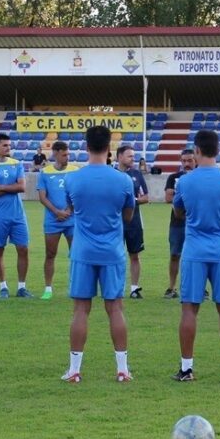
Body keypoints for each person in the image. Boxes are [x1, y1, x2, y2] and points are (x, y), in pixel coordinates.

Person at [61, 126, 136, 383]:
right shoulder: (124, 181)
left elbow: (71, 208)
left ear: (86, 145)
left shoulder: (73, 178)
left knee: (81, 309)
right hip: (112, 251)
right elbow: (128, 216)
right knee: (115, 308)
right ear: (109, 147)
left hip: (83, 250)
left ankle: (74, 370)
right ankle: (123, 369)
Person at [172, 129, 220, 382]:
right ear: (218, 150)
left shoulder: (185, 182)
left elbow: (179, 213)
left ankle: (186, 368)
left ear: (197, 151)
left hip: (194, 250)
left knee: (190, 309)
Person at [0, 133, 32, 298]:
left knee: (23, 249)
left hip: (18, 215)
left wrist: (1, 187)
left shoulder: (17, 163)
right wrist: (12, 187)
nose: (8, 148)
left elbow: (22, 187)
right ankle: (3, 287)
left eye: (9, 146)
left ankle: (21, 288)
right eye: (5, 145)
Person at [37, 141, 77, 300]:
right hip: (53, 220)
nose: (67, 157)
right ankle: (48, 288)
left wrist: (69, 210)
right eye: (64, 154)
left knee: (75, 255)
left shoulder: (75, 171)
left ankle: (75, 286)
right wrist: (56, 212)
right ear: (55, 154)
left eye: (68, 154)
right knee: (50, 253)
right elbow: (42, 196)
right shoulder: (45, 172)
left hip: (72, 218)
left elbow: (78, 193)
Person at [116, 144, 148, 299]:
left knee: (134, 255)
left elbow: (145, 197)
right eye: (129, 156)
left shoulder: (136, 174)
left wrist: (131, 200)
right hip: (114, 222)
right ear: (119, 157)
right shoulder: (111, 174)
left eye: (133, 156)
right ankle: (116, 287)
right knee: (115, 255)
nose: (133, 159)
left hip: (134, 222)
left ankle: (134, 288)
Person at [163, 149, 196, 298]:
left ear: (196, 160)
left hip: (196, 223)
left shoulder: (200, 177)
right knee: (175, 254)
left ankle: (199, 287)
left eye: (190, 160)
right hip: (177, 223)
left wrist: (180, 196)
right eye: (184, 161)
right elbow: (168, 197)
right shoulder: (174, 177)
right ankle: (172, 287)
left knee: (196, 256)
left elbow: (174, 196)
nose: (186, 164)